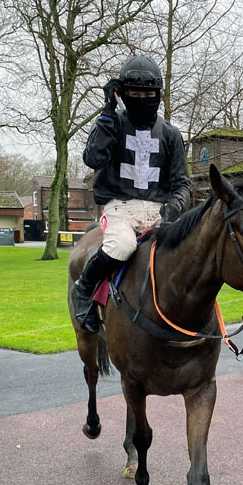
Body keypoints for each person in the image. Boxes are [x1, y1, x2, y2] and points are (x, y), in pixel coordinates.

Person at [73, 55, 191, 333]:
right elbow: (93, 157)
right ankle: (84, 289)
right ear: (122, 94)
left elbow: (183, 184)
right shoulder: (111, 124)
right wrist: (107, 111)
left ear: (158, 95)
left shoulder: (171, 134)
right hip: (119, 209)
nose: (142, 98)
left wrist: (175, 207)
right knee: (122, 246)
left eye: (148, 93)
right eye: (134, 93)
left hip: (158, 211)